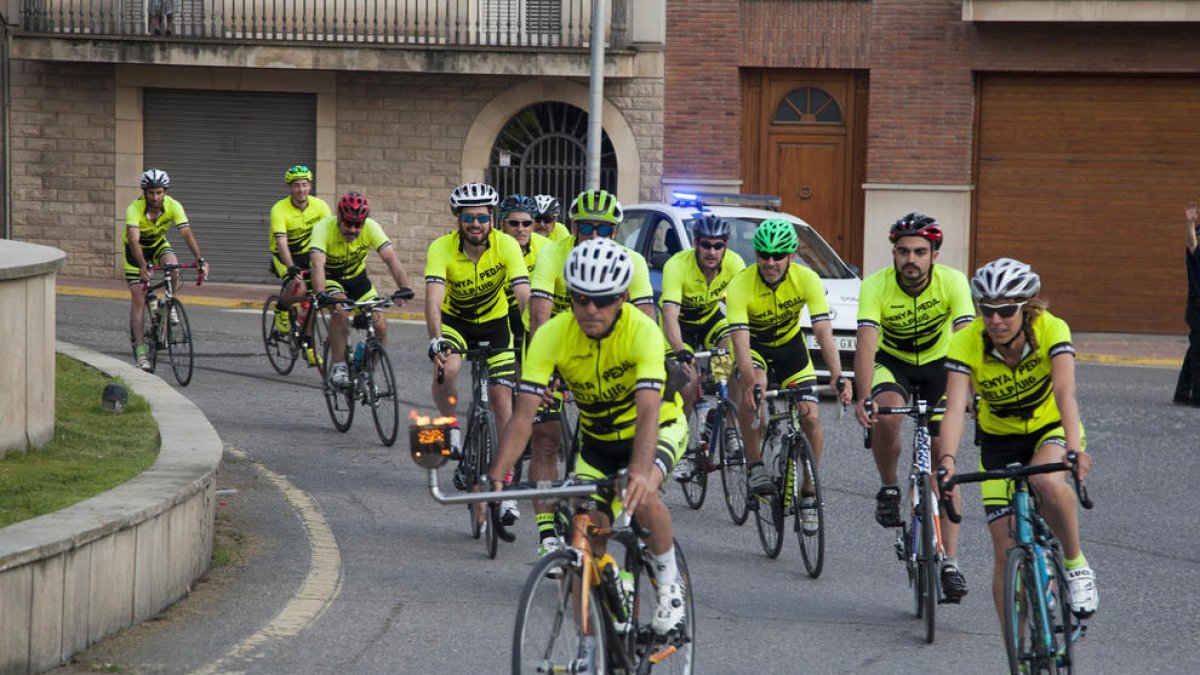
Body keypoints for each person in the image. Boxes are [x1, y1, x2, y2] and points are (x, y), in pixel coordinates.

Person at [489, 237, 688, 636]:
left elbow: (649, 410)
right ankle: (601, 635)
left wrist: (637, 470)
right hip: (598, 441)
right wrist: (500, 478)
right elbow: (524, 414)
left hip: (657, 426)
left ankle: (670, 587)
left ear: (624, 297)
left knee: (642, 492)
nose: (590, 309)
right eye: (580, 299)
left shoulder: (643, 331)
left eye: (603, 299)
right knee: (586, 530)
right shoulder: (551, 335)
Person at [938, 257, 1098, 622]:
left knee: (1045, 479)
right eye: (987, 310)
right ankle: (1020, 648)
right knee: (1004, 551)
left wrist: (1074, 447)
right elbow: (953, 409)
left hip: (1049, 429)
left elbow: (1065, 392)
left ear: (1026, 308)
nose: (995, 320)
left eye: (1006, 310)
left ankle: (1075, 565)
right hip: (998, 441)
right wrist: (946, 461)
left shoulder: (1050, 328)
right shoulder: (965, 341)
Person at [523, 188, 657, 559]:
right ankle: (547, 533)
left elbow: (646, 319)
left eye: (603, 228)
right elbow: (538, 315)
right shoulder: (554, 252)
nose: (593, 236)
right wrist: (547, 374)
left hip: (603, 350)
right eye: (585, 228)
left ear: (615, 232)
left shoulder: (633, 262)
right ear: (572, 228)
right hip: (553, 344)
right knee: (546, 437)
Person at [852, 212, 975, 601]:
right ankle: (889, 488)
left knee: (945, 461)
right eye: (903, 251)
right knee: (887, 413)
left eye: (920, 251)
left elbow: (967, 338)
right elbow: (867, 342)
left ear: (934, 254)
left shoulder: (954, 282)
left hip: (942, 365)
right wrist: (862, 394)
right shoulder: (876, 286)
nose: (911, 259)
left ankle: (951, 563)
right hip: (894, 363)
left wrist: (970, 393)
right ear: (893, 253)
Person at [726, 219, 852, 514]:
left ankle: (808, 490)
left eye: (778, 256)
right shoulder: (740, 285)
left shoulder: (806, 279)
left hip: (790, 350)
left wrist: (837, 374)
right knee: (755, 386)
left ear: (791, 256)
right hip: (754, 348)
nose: (770, 262)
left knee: (810, 418)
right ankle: (755, 464)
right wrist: (748, 382)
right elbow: (741, 341)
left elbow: (822, 330)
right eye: (764, 255)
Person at [426, 183, 532, 525]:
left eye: (483, 217)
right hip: (457, 322)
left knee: (503, 402)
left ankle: (507, 490)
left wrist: (529, 334)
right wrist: (436, 339)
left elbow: (523, 292)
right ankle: (450, 425)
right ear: (459, 220)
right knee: (449, 369)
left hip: (496, 323)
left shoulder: (507, 246)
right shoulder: (441, 247)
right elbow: (433, 299)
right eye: (469, 217)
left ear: (492, 219)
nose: (476, 224)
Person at [659, 213, 745, 478]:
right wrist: (681, 351)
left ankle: (728, 423)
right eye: (706, 244)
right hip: (678, 328)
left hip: (709, 320)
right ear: (695, 243)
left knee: (735, 354)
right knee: (688, 384)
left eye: (718, 246)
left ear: (725, 246)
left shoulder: (735, 264)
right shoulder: (677, 265)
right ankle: (683, 449)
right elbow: (670, 314)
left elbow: (740, 311)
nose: (711, 251)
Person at [309, 192, 412, 388]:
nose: (353, 229)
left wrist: (404, 287)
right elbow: (317, 263)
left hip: (358, 281)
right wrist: (321, 293)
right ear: (339, 218)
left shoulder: (371, 227)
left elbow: (390, 257)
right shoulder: (323, 228)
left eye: (358, 225)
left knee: (380, 324)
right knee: (340, 311)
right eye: (348, 224)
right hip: (332, 279)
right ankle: (339, 367)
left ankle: (366, 369)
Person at [124, 168, 209, 371]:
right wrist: (143, 264)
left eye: (159, 192)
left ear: (165, 191)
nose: (156, 197)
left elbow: (186, 233)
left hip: (158, 244)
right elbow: (134, 241)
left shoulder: (173, 206)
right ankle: (141, 350)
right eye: (151, 192)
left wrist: (199, 259)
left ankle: (166, 304)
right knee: (138, 296)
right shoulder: (134, 209)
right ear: (144, 192)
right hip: (135, 251)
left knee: (173, 265)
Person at [268, 164, 331, 359]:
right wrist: (290, 267)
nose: (301, 189)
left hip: (308, 255)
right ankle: (281, 309)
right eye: (296, 185)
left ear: (310, 186)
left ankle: (307, 345)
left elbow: (329, 236)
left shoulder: (320, 206)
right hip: (284, 255)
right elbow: (281, 242)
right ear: (290, 188)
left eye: (304, 185)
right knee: (299, 288)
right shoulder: (279, 209)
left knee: (315, 298)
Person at [497, 194, 550, 359]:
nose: (521, 229)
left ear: (532, 225)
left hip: (525, 306)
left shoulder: (544, 246)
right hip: (496, 307)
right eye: (514, 223)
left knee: (526, 353)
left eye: (526, 223)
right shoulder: (491, 242)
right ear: (502, 224)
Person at [1173, 201, 1200, 406]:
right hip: (1197, 307)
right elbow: (1191, 243)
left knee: (1194, 351)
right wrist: (1190, 223)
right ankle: (1197, 397)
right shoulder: (1196, 252)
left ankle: (1182, 393)